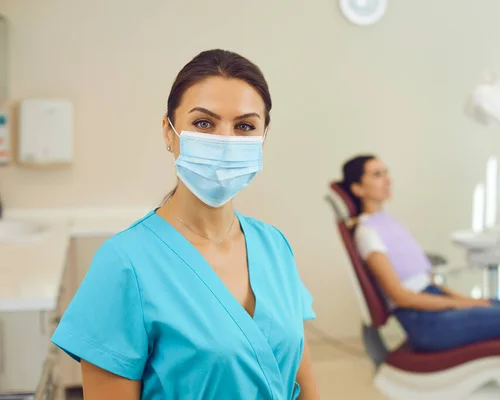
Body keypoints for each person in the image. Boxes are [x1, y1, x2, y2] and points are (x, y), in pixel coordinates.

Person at [51, 49, 319, 400]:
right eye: (204, 123)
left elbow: (303, 374)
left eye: (244, 126)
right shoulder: (124, 264)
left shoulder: (274, 245)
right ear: (169, 131)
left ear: (263, 137)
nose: (225, 141)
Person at [340, 154, 500, 361]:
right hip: (427, 324)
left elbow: (425, 282)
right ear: (357, 188)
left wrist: (467, 300)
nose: (387, 179)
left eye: (386, 172)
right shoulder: (367, 232)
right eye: (376, 174)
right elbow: (400, 295)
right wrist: (462, 305)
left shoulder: (387, 222)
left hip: (435, 304)